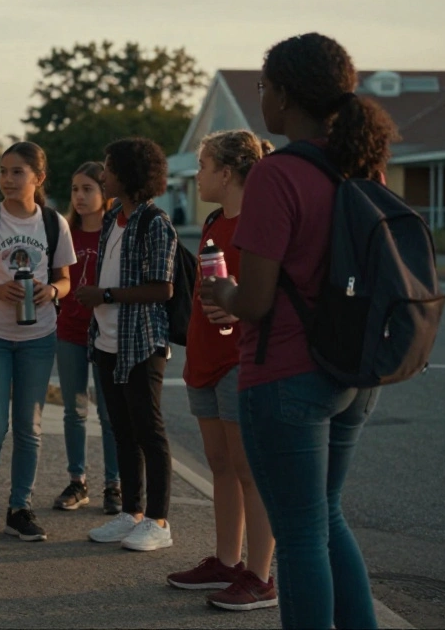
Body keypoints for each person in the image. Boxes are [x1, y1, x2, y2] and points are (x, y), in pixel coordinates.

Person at [202, 32, 398, 629]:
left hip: (287, 376)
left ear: (284, 96)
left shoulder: (277, 174)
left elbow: (256, 299)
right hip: (354, 370)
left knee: (300, 535)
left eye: (263, 87)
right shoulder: (364, 167)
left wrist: (222, 293)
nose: (261, 99)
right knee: (326, 518)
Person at [167, 130, 278, 611]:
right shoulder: (213, 222)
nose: (197, 176)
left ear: (227, 172)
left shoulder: (261, 224)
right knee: (219, 464)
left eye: (204, 166)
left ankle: (260, 576)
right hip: (205, 359)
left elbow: (273, 297)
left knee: (249, 469)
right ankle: (227, 562)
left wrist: (239, 309)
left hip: (242, 360)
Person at [0, 142, 75, 542]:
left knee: (29, 426)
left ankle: (20, 508)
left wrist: (51, 292)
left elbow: (66, 280)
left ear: (38, 178)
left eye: (17, 172)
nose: (7, 179)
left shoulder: (54, 223)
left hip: (38, 337)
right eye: (3, 171)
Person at [75, 137, 178, 552]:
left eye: (109, 166)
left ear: (129, 175)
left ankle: (158, 521)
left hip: (141, 341)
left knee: (148, 431)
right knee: (121, 430)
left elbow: (163, 288)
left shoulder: (156, 223)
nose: (103, 173)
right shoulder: (113, 215)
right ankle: (131, 513)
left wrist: (106, 295)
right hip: (106, 339)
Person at [52, 161, 121, 515]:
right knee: (74, 411)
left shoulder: (116, 232)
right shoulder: (64, 232)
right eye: (75, 189)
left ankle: (114, 484)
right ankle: (77, 481)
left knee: (110, 414)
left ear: (105, 193)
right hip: (70, 331)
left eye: (88, 189)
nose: (79, 196)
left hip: (107, 333)